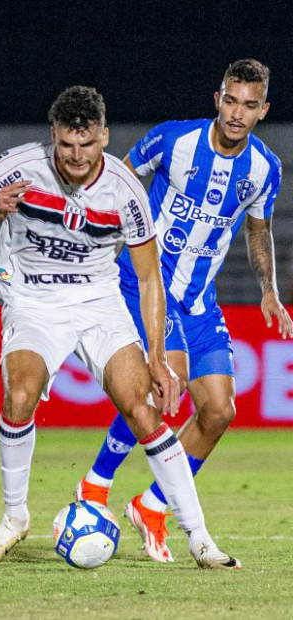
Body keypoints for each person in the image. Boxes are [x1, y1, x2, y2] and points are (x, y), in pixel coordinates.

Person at [0, 86, 240, 571]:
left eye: (87, 144)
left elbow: (148, 278)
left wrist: (158, 356)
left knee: (144, 410)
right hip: (33, 302)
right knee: (19, 397)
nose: (76, 157)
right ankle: (15, 518)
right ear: (52, 137)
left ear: (103, 136)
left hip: (98, 304)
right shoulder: (17, 168)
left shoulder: (125, 189)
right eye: (66, 145)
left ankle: (200, 538)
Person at [75, 59, 293, 563]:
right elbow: (121, 179)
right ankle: (96, 483)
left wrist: (269, 290)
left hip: (198, 299)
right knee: (167, 377)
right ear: (217, 97)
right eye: (231, 100)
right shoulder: (174, 140)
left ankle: (151, 505)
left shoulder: (264, 169)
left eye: (250, 104)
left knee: (220, 409)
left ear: (264, 110)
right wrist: (99, 241)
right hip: (146, 280)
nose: (238, 113)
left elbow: (258, 231)